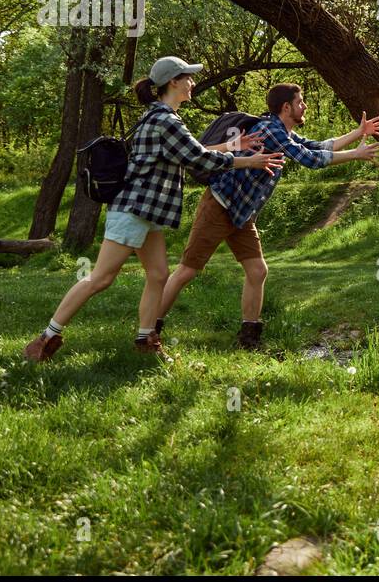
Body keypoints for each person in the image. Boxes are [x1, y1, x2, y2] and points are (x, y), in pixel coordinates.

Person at [23, 57, 284, 362]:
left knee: (159, 275)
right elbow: (198, 159)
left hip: (148, 213)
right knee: (100, 279)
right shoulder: (165, 121)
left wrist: (232, 148)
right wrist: (248, 160)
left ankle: (145, 341)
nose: (192, 83)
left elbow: (190, 152)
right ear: (174, 81)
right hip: (134, 210)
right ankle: (45, 339)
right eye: (188, 77)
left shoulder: (162, 118)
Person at [157, 83, 379, 349]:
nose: (305, 106)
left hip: (241, 215)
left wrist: (358, 133)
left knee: (257, 270)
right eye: (300, 102)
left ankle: (248, 338)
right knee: (188, 270)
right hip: (220, 206)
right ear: (286, 107)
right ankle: (151, 327)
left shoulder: (284, 132)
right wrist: (356, 154)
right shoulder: (271, 129)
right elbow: (311, 160)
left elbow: (316, 146)